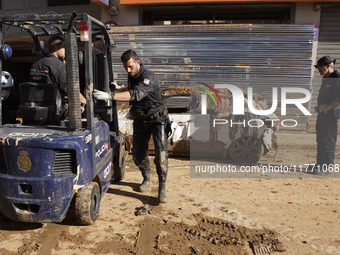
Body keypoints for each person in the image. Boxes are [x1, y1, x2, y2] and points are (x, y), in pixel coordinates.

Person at [93, 49, 170, 203]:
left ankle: (162, 186)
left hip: (157, 120)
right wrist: (121, 87)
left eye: (130, 67)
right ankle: (146, 177)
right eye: (125, 68)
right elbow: (132, 88)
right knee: (138, 154)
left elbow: (137, 93)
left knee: (161, 156)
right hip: (141, 119)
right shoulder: (132, 75)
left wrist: (111, 96)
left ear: (138, 63)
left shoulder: (149, 77)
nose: (128, 70)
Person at [29, 35, 86, 116]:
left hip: (35, 109)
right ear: (56, 48)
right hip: (53, 110)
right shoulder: (58, 65)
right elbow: (68, 89)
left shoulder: (36, 63)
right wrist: (84, 101)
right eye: (64, 48)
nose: (67, 51)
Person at [313, 55, 340, 174]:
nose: (318, 69)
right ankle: (319, 164)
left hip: (331, 114)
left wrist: (328, 107)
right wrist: (319, 107)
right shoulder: (326, 78)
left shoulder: (337, 78)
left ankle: (327, 167)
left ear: (328, 66)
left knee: (328, 140)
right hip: (322, 114)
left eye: (320, 67)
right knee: (320, 139)